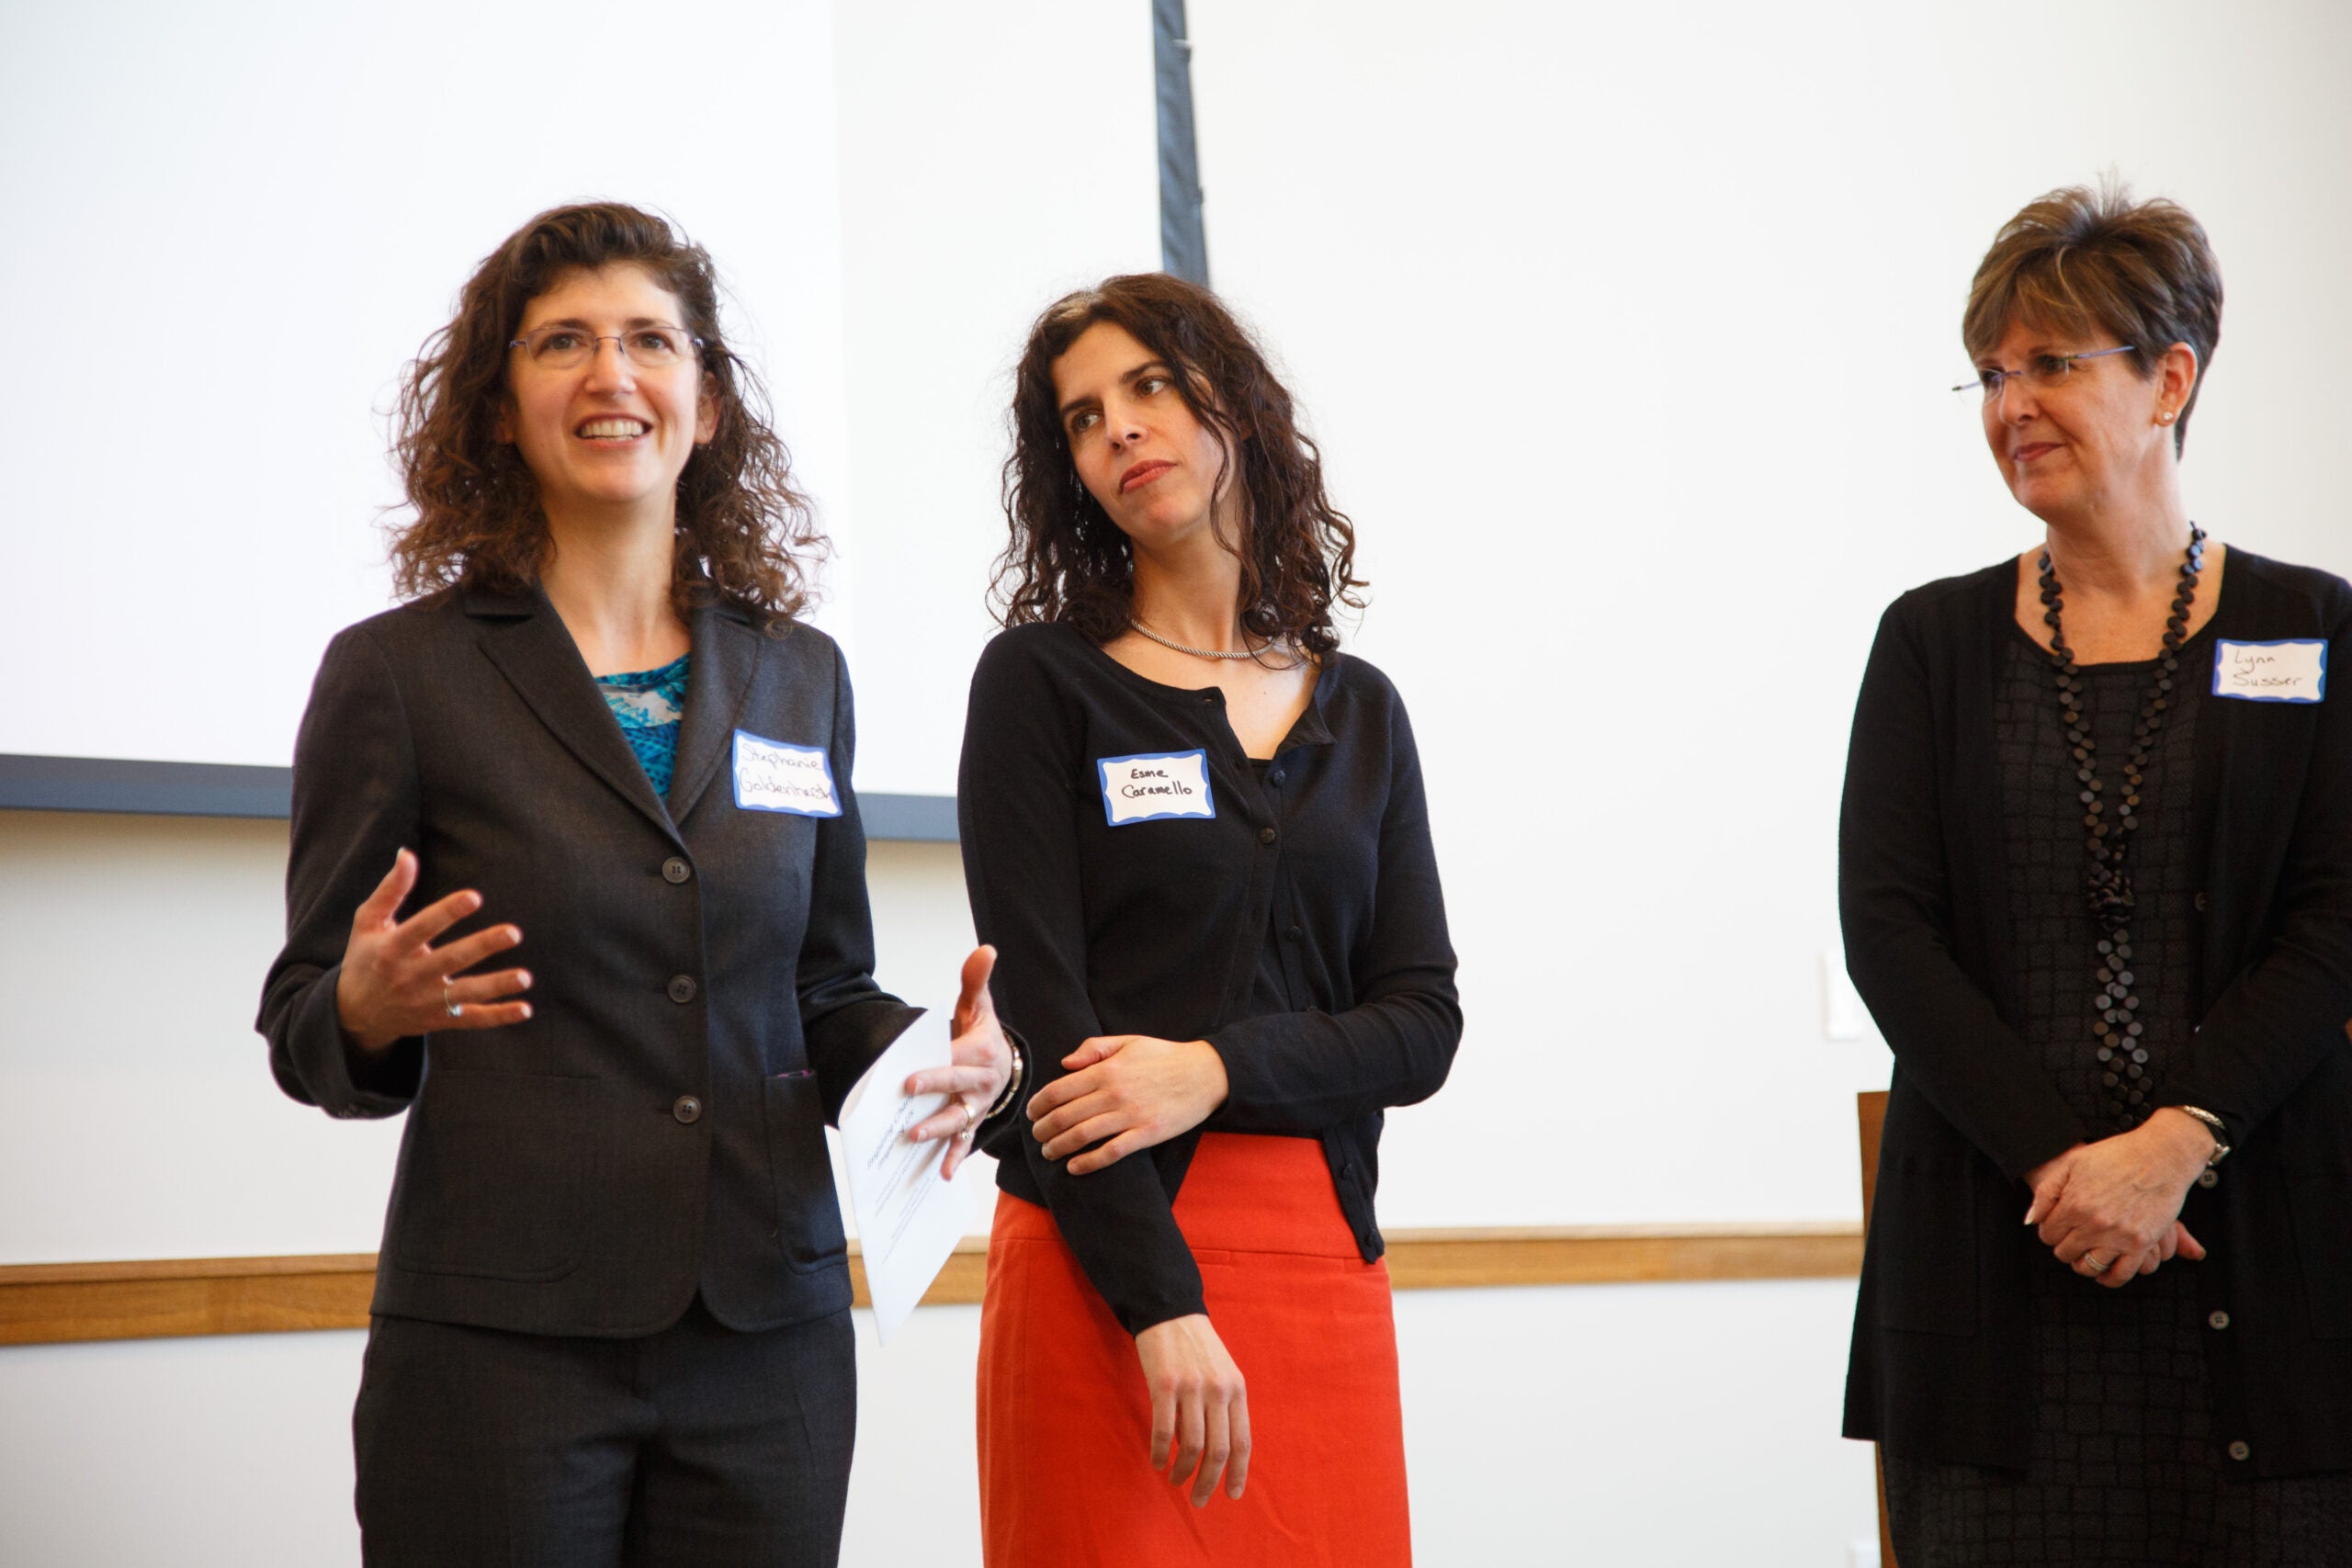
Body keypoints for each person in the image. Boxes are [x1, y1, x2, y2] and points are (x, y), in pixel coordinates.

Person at [256, 201, 1017, 1567]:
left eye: (649, 341)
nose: (612, 375)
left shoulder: (799, 673)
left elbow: (820, 984)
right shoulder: (400, 675)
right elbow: (307, 1019)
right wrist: (363, 1008)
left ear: (707, 404)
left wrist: (935, 1056)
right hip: (501, 1344)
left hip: (766, 1347)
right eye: (563, 343)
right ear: (498, 407)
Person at [1840, 183, 2352, 1565]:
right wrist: (2073, 1174)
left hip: (2262, 1264)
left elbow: (2335, 924)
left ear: (2171, 377)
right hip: (2003, 1265)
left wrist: (2177, 1144)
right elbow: (1888, 933)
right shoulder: (1931, 646)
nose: (2013, 404)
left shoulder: (2312, 629)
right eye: (1992, 374)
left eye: (2054, 365)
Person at [956, 273, 1460, 1565]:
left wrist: (1214, 1069)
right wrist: (1160, 1307)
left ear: (1230, 403)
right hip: (1104, 1268)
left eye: (1148, 388)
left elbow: (1420, 1025)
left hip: (1316, 1269)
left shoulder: (1363, 712)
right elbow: (1051, 1020)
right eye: (1080, 418)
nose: (1117, 429)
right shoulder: (1040, 685)